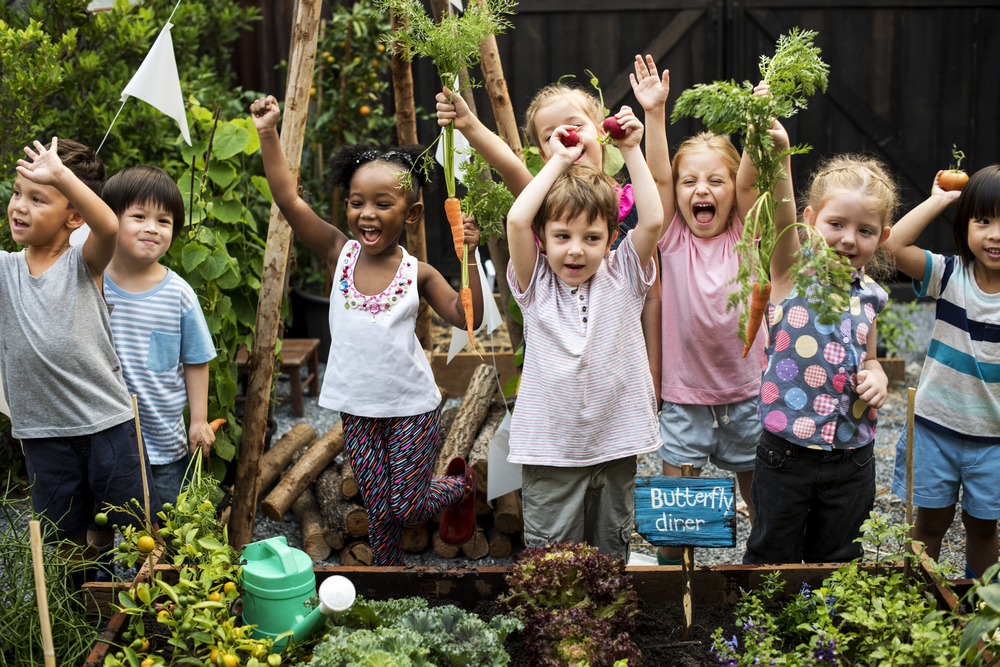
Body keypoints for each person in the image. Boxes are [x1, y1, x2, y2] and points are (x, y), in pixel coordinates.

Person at [250, 95, 483, 566]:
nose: (367, 214)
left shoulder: (419, 273)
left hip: (412, 408)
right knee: (378, 512)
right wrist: (268, 132)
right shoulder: (341, 254)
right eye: (357, 203)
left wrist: (469, 255)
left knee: (407, 506)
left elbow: (467, 318)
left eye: (383, 203)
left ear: (411, 214)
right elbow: (288, 198)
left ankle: (461, 486)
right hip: (358, 408)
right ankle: (389, 579)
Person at [435, 76, 663, 404]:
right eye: (550, 135)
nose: (564, 135)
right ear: (545, 154)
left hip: (614, 363)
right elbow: (509, 164)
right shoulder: (543, 204)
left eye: (574, 124)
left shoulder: (631, 203)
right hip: (559, 357)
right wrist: (468, 123)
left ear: (602, 131)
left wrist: (652, 376)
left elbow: (652, 298)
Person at [504, 104, 662, 560]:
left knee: (608, 549)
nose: (576, 251)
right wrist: (558, 160)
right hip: (551, 451)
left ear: (612, 237)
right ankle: (557, 631)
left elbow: (652, 220)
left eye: (591, 238)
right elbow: (517, 220)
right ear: (543, 238)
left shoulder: (623, 275)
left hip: (616, 443)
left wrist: (632, 149)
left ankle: (603, 627)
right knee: (553, 555)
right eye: (562, 237)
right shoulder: (535, 285)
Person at [0, 138, 161, 570]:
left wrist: (62, 176)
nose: (19, 206)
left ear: (73, 215)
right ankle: (80, 604)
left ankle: (125, 594)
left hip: (105, 422)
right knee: (64, 531)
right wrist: (48, 183)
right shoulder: (6, 270)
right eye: (17, 193)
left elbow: (108, 225)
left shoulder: (83, 263)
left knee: (128, 522)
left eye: (37, 198)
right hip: (42, 432)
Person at [632, 58, 769, 566]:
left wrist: (757, 123)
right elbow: (660, 179)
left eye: (716, 181)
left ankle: (767, 569)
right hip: (685, 396)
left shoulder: (746, 234)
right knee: (677, 511)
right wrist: (655, 114)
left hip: (747, 394)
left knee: (762, 500)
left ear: (734, 191)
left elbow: (756, 182)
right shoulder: (671, 237)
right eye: (691, 183)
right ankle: (675, 581)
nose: (701, 191)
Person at [743, 153, 897, 564]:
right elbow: (780, 210)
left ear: (882, 237)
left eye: (865, 230)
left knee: (840, 555)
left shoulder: (871, 296)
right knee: (772, 552)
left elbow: (871, 358)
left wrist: (878, 377)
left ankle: (824, 628)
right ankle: (763, 628)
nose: (849, 239)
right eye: (837, 224)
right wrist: (779, 153)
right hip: (786, 451)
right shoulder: (791, 271)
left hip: (852, 455)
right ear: (809, 220)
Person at [885, 165, 1000, 580]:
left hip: (994, 440)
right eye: (983, 220)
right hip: (936, 427)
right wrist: (939, 199)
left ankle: (980, 609)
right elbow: (891, 246)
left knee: (984, 527)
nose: (995, 234)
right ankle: (916, 601)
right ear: (965, 222)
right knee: (930, 522)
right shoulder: (949, 275)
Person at [102, 165, 217, 506]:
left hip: (163, 444)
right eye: (138, 216)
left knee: (167, 528)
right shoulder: (94, 284)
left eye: (164, 221)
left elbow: (195, 359)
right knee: (102, 522)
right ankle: (100, 563)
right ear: (110, 220)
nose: (152, 228)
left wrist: (198, 420)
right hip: (104, 441)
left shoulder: (178, 294)